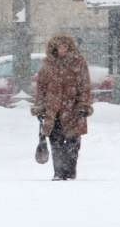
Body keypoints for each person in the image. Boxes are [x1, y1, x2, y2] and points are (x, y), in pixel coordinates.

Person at [31, 34, 93, 180]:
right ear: (54, 48)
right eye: (59, 47)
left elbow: (85, 86)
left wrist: (83, 105)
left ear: (69, 47)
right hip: (54, 110)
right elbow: (41, 88)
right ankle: (58, 172)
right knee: (56, 142)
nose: (62, 49)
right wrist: (40, 107)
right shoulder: (48, 65)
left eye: (65, 46)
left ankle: (70, 172)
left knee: (73, 142)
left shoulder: (78, 63)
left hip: (73, 109)